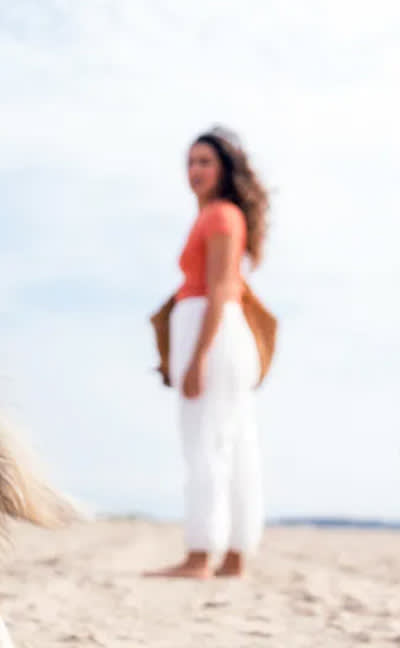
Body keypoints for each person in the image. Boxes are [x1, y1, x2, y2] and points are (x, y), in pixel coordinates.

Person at [147, 127, 271, 579]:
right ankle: (234, 554)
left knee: (205, 443)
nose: (195, 170)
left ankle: (201, 554)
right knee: (233, 441)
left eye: (205, 162)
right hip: (216, 332)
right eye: (191, 162)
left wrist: (198, 356)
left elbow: (221, 289)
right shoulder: (223, 216)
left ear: (223, 169)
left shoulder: (220, 216)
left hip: (212, 334)